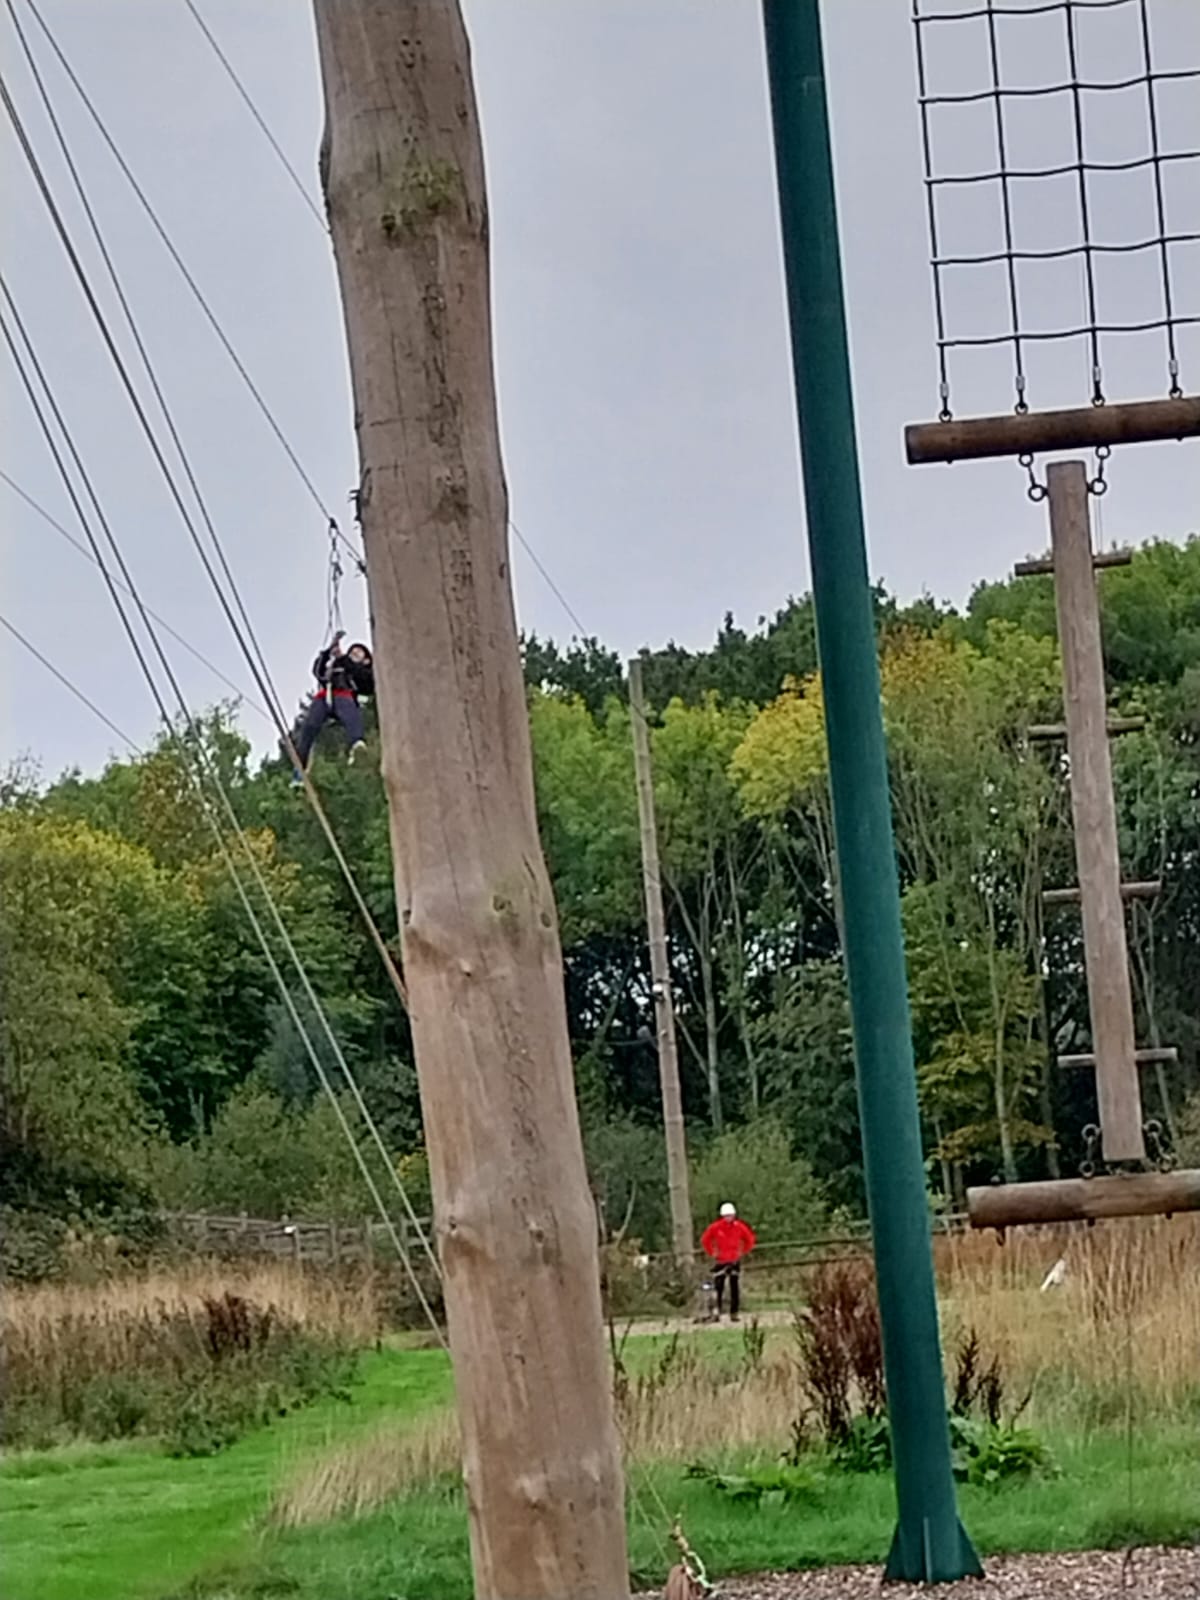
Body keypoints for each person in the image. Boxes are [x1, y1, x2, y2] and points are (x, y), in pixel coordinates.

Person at [290, 632, 374, 784]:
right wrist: (329, 651)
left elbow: (367, 684)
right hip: (325, 695)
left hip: (344, 695)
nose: (354, 653)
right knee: (309, 726)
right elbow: (318, 671)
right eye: (352, 651)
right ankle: (300, 766)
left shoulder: (359, 671)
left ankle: (357, 744)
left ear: (365, 660)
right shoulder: (336, 665)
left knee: (351, 716)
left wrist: (344, 658)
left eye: (358, 653)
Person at [700, 1201, 756, 1322]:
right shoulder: (716, 1227)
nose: (728, 1218)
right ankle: (717, 1312)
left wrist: (743, 1251)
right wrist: (712, 1252)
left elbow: (750, 1239)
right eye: (726, 1216)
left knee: (734, 1288)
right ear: (722, 1216)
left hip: (734, 1260)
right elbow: (705, 1239)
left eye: (730, 1215)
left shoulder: (739, 1227)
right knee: (718, 1287)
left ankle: (734, 1313)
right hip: (721, 1261)